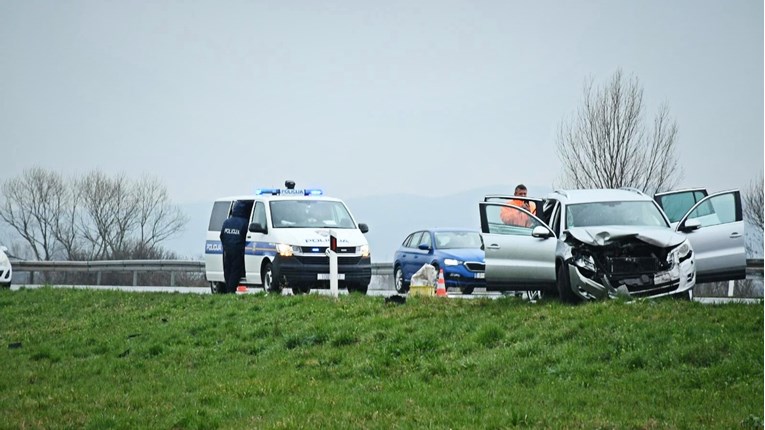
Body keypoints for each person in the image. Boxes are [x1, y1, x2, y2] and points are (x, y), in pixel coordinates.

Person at [219, 201, 249, 294]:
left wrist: (226, 246)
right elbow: (246, 238)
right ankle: (231, 290)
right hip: (238, 250)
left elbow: (222, 236)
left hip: (227, 250)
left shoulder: (227, 222)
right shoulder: (245, 223)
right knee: (235, 271)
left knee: (227, 270)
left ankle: (228, 288)